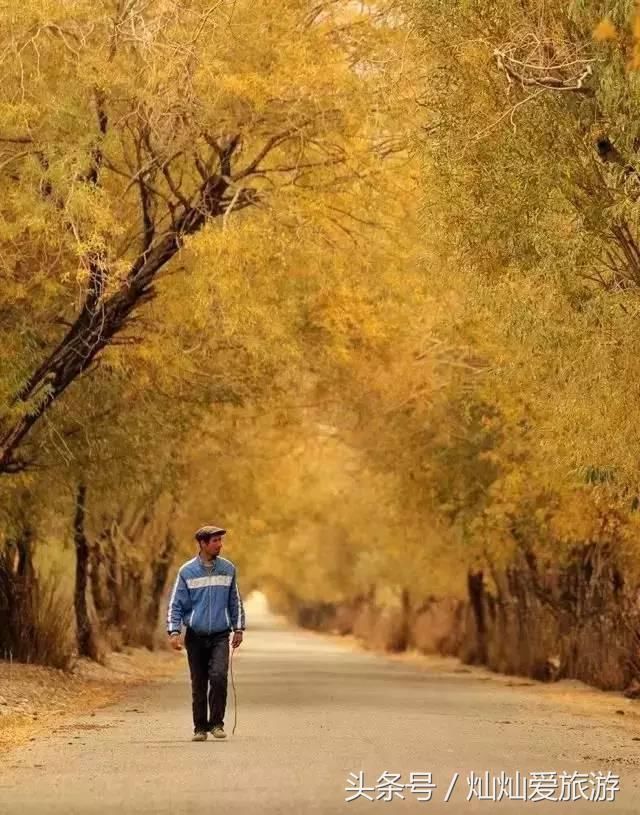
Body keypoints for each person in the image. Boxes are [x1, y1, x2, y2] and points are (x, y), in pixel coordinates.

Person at [166, 524, 245, 741]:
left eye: (220, 540)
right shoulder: (187, 572)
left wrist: (238, 628)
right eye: (215, 541)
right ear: (202, 544)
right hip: (196, 636)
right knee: (199, 682)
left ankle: (217, 724)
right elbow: (176, 604)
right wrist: (174, 632)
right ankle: (200, 728)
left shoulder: (228, 569)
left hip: (220, 635)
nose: (219, 545)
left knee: (218, 677)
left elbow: (234, 601)